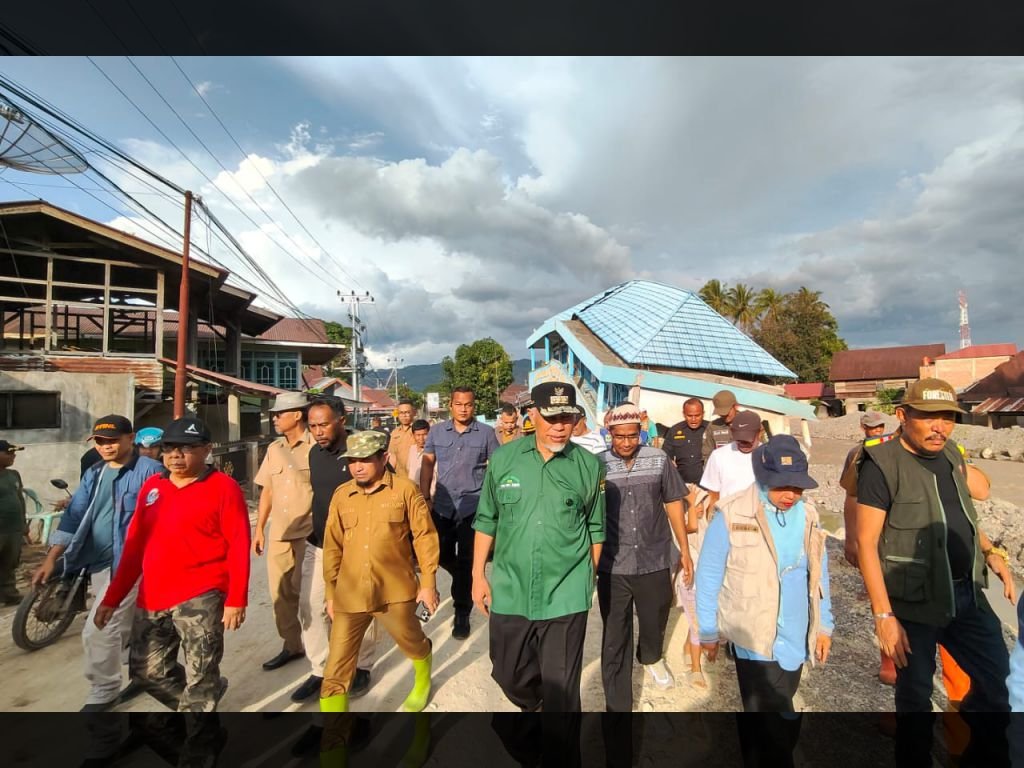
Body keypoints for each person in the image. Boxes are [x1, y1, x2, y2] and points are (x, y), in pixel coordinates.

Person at [855, 378, 1015, 714]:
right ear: (902, 415)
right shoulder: (881, 463)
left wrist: (990, 552)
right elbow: (866, 543)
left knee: (999, 681)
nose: (939, 427)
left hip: (967, 595)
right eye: (929, 417)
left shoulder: (951, 457)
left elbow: (962, 514)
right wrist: (883, 615)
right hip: (914, 602)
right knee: (915, 696)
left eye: (947, 418)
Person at [94, 416, 251, 712]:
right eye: (169, 449)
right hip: (153, 596)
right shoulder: (152, 487)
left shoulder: (223, 488)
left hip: (201, 595)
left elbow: (239, 545)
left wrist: (236, 599)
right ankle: (199, 702)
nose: (175, 456)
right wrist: (112, 598)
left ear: (207, 450)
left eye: (185, 449)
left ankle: (200, 740)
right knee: (146, 672)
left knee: (200, 675)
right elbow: (134, 547)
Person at [472, 382, 606, 712]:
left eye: (567, 418)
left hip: (565, 593)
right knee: (508, 674)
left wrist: (586, 580)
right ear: (532, 415)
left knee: (562, 691)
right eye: (551, 418)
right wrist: (477, 575)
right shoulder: (504, 459)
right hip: (511, 588)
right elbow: (487, 519)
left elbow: (596, 529)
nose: (560, 427)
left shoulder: (588, 466)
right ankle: (534, 717)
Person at [31, 414, 163, 712]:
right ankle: (146, 673)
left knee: (98, 628)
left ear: (131, 439)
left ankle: (103, 689)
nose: (106, 446)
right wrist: (51, 558)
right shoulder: (95, 473)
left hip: (132, 566)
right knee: (127, 623)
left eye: (113, 440)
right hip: (99, 562)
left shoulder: (151, 472)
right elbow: (74, 516)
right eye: (101, 441)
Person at [696, 435, 833, 712]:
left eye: (797, 487)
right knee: (767, 712)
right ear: (764, 476)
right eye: (782, 486)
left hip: (795, 633)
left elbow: (819, 575)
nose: (790, 495)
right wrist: (708, 632)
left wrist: (823, 626)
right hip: (753, 636)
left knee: (782, 703)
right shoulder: (732, 514)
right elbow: (709, 576)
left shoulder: (808, 516)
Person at [319, 430, 440, 713]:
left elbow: (424, 536)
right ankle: (334, 744)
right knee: (335, 669)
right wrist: (330, 592)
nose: (357, 466)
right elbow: (332, 546)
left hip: (394, 591)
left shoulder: (405, 490)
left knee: (412, 642)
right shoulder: (342, 496)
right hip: (350, 594)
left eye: (365, 459)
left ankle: (423, 675)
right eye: (352, 460)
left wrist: (428, 583)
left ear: (383, 458)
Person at [597, 403, 693, 711]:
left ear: (641, 431)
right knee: (615, 630)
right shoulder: (596, 465)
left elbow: (674, 503)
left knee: (654, 618)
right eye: (619, 436)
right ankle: (617, 700)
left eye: (632, 435)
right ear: (609, 433)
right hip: (613, 562)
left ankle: (651, 657)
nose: (626, 442)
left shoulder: (659, 459)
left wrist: (685, 549)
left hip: (654, 557)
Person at [289, 397, 378, 702]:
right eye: (312, 426)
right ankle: (321, 668)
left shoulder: (361, 452)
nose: (318, 431)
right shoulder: (314, 454)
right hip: (319, 545)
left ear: (342, 419)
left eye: (323, 424)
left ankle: (362, 665)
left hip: (357, 548)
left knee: (359, 608)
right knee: (310, 607)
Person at [420, 386, 500, 640]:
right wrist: (425, 496)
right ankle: (461, 577)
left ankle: (462, 613)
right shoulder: (437, 431)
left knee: (467, 560)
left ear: (473, 406)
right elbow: (428, 462)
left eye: (468, 404)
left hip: (472, 507)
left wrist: (493, 502)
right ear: (450, 405)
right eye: (459, 404)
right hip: (442, 505)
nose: (463, 409)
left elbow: (496, 468)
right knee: (438, 554)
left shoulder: (487, 434)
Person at [253, 391, 314, 672]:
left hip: (310, 533)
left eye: (280, 413)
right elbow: (267, 490)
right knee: (281, 595)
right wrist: (260, 529)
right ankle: (292, 645)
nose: (274, 418)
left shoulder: (316, 447)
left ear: (298, 415)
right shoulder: (274, 449)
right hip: (279, 532)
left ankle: (324, 651)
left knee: (310, 596)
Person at [699, 409, 763, 514]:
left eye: (748, 440)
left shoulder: (769, 456)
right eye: (739, 439)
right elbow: (713, 496)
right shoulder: (718, 456)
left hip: (759, 518)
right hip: (727, 518)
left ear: (760, 433)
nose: (743, 444)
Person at [0, 440, 26, 605]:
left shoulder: (14, 474)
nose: (13, 456)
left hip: (14, 528)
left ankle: (9, 594)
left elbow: (20, 499)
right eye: (8, 453)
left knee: (10, 562)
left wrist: (24, 524)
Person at [662, 397, 709, 487]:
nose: (693, 419)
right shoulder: (675, 431)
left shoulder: (711, 429)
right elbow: (665, 456)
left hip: (706, 486)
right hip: (681, 485)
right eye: (690, 416)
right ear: (684, 414)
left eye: (697, 415)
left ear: (703, 414)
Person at [702, 390, 739, 462]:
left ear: (736, 406)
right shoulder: (713, 426)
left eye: (726, 412)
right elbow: (707, 454)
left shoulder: (750, 422)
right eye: (721, 413)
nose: (724, 416)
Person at [388, 399, 417, 477]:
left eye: (407, 412)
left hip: (417, 477)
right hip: (400, 477)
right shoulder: (395, 433)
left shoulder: (420, 431)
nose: (404, 415)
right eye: (401, 413)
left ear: (414, 413)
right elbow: (392, 456)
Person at [406, 419, 436, 497]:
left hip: (430, 496)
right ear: (413, 435)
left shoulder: (433, 452)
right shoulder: (412, 449)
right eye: (418, 435)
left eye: (424, 434)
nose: (421, 438)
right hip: (414, 495)